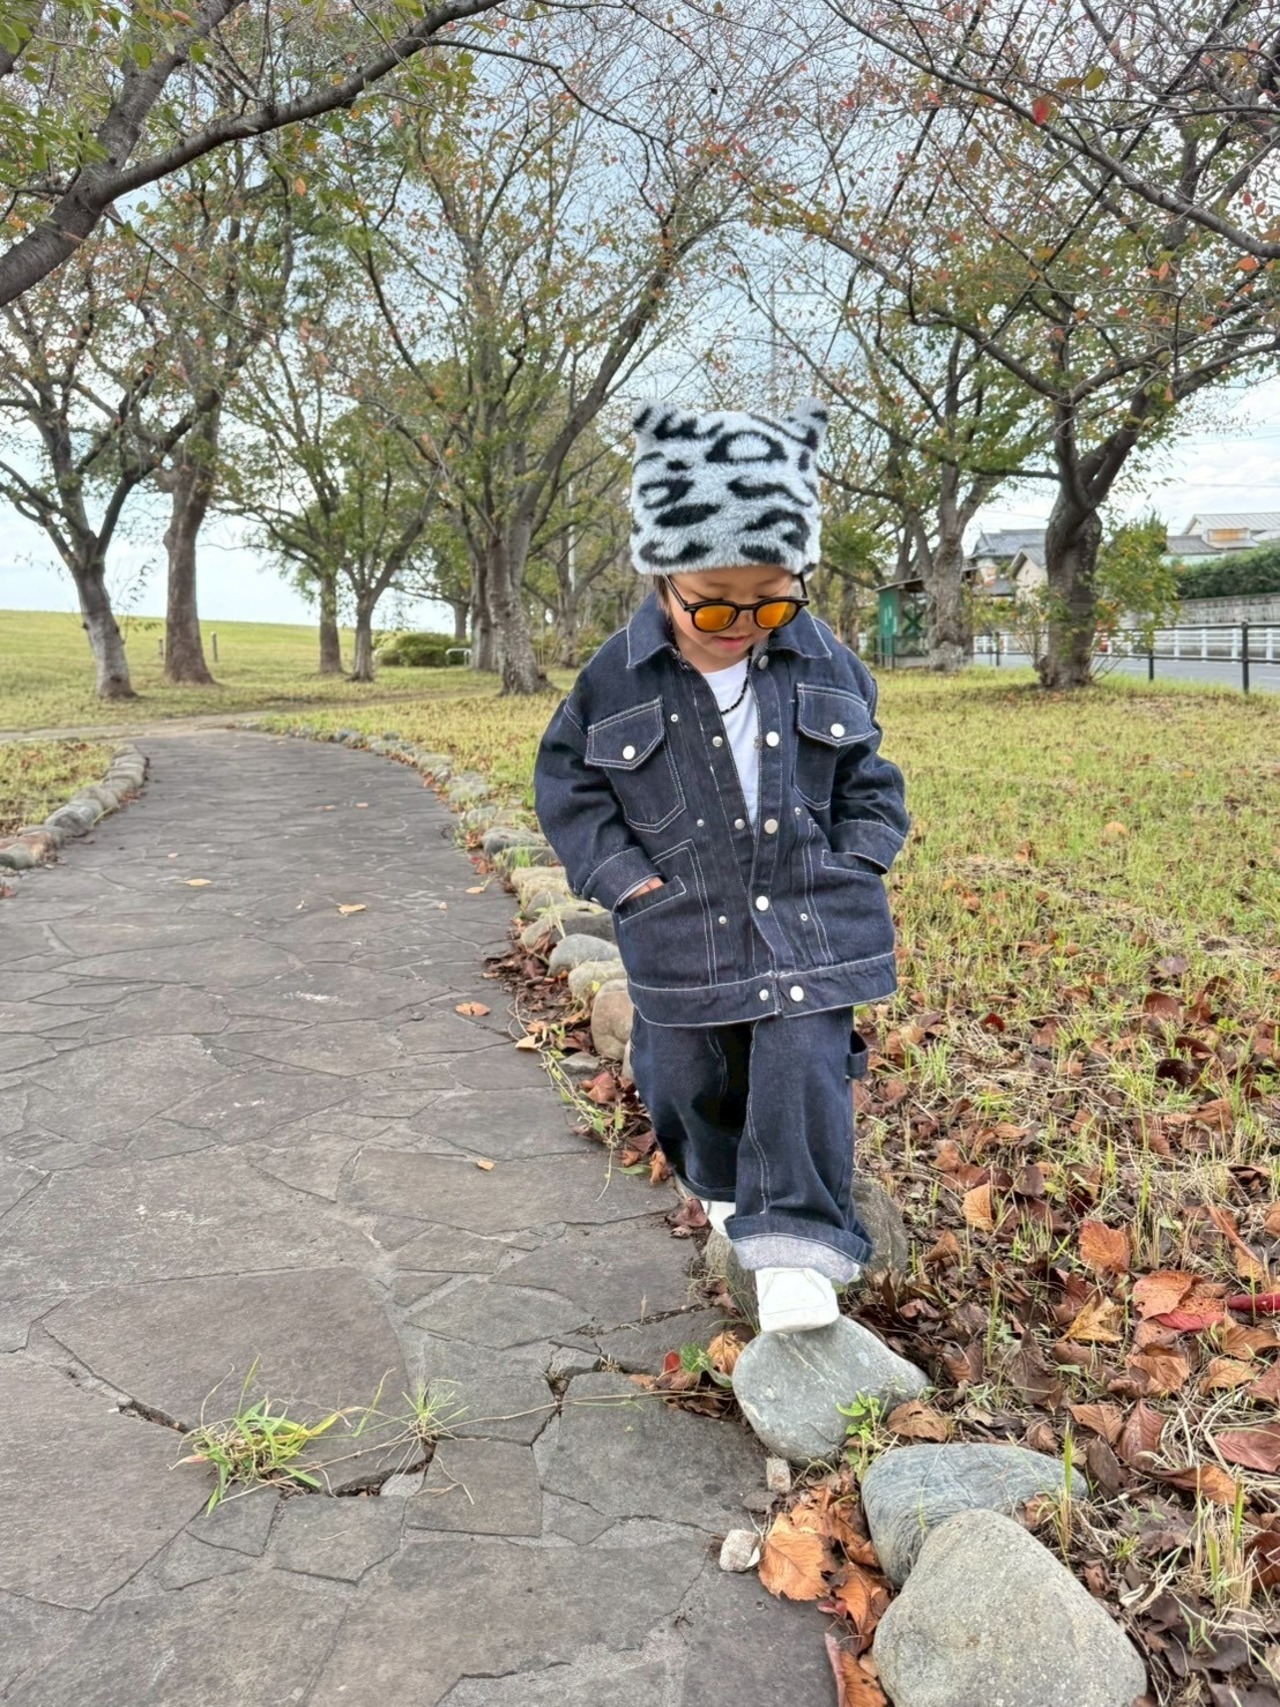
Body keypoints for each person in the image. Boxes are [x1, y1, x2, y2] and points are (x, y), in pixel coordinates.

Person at [534, 399, 909, 1334]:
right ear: (662, 574)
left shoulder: (826, 660)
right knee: (683, 1070)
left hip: (810, 908)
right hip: (683, 915)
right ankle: (722, 1179)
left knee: (803, 1059)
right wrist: (626, 881)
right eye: (713, 602)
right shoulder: (613, 679)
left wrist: (859, 855)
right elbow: (569, 787)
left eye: (771, 601)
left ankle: (796, 1250)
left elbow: (869, 774)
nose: (742, 624)